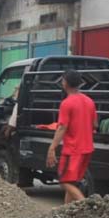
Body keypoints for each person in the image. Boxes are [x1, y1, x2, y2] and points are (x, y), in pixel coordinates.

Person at [46, 69, 97, 204]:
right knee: (72, 183)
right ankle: (65, 211)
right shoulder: (89, 101)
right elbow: (95, 124)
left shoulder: (67, 103)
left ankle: (87, 206)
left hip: (73, 150)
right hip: (87, 149)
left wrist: (52, 148)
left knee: (64, 181)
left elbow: (62, 127)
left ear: (65, 83)